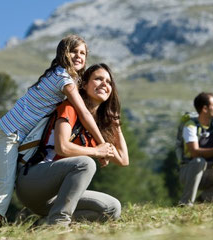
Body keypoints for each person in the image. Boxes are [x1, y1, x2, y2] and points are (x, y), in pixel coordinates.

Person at [0, 35, 109, 237]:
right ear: (63, 54)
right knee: (4, 187)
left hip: (24, 136)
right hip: (9, 133)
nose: (78, 56)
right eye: (74, 51)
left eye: (83, 53)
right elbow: (84, 113)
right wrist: (102, 146)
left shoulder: (67, 77)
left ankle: (39, 226)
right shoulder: (63, 78)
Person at [15, 63, 129, 225]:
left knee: (111, 208)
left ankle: (43, 225)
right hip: (33, 181)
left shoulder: (94, 128)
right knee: (86, 163)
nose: (105, 84)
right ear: (83, 84)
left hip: (57, 195)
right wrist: (96, 151)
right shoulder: (70, 107)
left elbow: (123, 160)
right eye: (98, 79)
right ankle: (59, 223)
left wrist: (116, 125)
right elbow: (62, 147)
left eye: (109, 82)